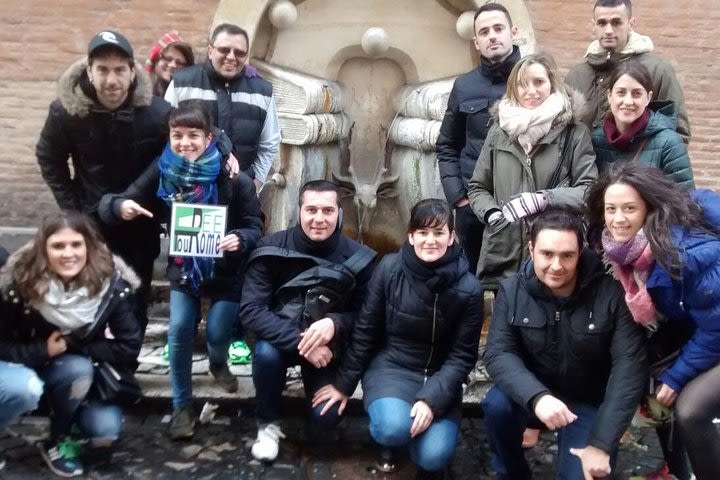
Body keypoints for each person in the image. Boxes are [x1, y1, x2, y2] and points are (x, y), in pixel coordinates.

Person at [98, 102, 263, 440]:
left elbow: (254, 226)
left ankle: (218, 363)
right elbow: (120, 199)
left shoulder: (235, 179)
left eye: (193, 135)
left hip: (228, 269)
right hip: (184, 266)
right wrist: (120, 206)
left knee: (218, 333)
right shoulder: (164, 171)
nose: (185, 142)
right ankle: (181, 406)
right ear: (169, 137)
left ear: (209, 137)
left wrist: (239, 239)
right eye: (178, 135)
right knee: (179, 329)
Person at [312, 199, 483, 479]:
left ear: (451, 237)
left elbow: (463, 356)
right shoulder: (389, 269)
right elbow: (366, 330)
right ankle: (390, 442)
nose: (431, 240)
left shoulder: (469, 289)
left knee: (433, 457)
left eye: (439, 233)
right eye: (423, 233)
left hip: (439, 376)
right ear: (411, 235)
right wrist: (343, 384)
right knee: (393, 428)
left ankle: (421, 445)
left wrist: (431, 400)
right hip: (392, 368)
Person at [482, 208, 647, 480]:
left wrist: (603, 443)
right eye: (547, 254)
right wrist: (537, 396)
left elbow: (629, 367)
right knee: (497, 405)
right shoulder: (512, 290)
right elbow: (499, 353)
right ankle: (510, 472)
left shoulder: (611, 292)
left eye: (567, 255)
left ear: (579, 253)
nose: (557, 265)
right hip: (532, 393)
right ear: (531, 249)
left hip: (588, 400)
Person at [586, 162, 720, 480]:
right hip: (700, 332)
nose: (618, 219)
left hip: (715, 333)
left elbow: (715, 327)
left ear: (648, 208)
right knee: (656, 388)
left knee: (691, 410)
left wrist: (677, 376)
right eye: (611, 209)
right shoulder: (621, 251)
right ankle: (676, 471)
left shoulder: (685, 254)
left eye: (629, 208)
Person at [36, 30, 171, 333]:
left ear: (132, 71)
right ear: (89, 71)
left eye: (119, 70)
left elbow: (173, 153)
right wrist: (74, 210)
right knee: (89, 297)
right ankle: (93, 365)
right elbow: (49, 158)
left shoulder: (157, 112)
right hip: (90, 220)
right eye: (103, 70)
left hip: (139, 223)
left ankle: (127, 368)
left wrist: (140, 197)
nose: (112, 80)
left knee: (136, 299)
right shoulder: (66, 113)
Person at [239, 180, 376, 462]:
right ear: (299, 211)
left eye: (327, 211)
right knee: (265, 354)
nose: (318, 219)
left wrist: (336, 323)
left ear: (339, 213)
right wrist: (303, 342)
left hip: (329, 349)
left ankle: (312, 407)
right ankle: (268, 424)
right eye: (311, 210)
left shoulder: (359, 258)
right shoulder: (272, 248)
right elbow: (252, 310)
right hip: (282, 341)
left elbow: (369, 315)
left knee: (326, 419)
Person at [0, 212, 143, 477]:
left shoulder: (111, 284)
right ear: (44, 249)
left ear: (88, 246)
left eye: (76, 245)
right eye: (58, 246)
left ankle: (62, 431)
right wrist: (42, 350)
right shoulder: (20, 283)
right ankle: (55, 433)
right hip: (24, 366)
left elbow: (129, 345)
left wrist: (71, 345)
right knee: (36, 384)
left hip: (78, 370)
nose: (69, 254)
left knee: (105, 432)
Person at [467, 52, 598, 293]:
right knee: (507, 324)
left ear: (552, 83)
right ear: (513, 89)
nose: (531, 91)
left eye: (538, 82)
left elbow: (590, 190)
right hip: (504, 249)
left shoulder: (574, 133)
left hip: (554, 252)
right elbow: (477, 187)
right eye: (522, 84)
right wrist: (493, 215)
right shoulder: (499, 132)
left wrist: (544, 199)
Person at [436, 2, 521, 274]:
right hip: (473, 205)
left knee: (518, 282)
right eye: (484, 32)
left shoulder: (533, 80)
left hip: (521, 201)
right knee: (469, 281)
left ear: (513, 32)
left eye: (498, 28)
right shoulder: (464, 86)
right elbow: (447, 144)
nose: (492, 36)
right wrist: (459, 197)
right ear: (476, 42)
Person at [165, 23, 280, 189]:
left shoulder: (262, 91)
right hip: (189, 190)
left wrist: (256, 182)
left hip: (239, 191)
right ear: (210, 51)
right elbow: (164, 133)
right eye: (224, 50)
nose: (231, 57)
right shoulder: (182, 83)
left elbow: (269, 143)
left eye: (239, 52)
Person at [565, 0, 690, 143]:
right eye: (602, 23)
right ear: (593, 26)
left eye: (616, 22)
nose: (609, 30)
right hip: (585, 165)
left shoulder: (657, 70)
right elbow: (563, 133)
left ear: (631, 24)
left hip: (640, 164)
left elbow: (678, 132)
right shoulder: (576, 75)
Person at [592, 60, 694, 190]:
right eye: (621, 92)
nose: (628, 101)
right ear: (609, 96)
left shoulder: (669, 143)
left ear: (648, 98)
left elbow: (685, 201)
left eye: (637, 94)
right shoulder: (596, 140)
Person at [145, 31, 194, 97]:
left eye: (179, 63)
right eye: (167, 59)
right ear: (155, 61)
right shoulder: (140, 95)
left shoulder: (192, 97)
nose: (172, 65)